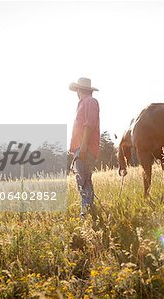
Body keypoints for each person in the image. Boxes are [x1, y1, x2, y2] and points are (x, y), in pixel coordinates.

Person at [69, 77, 100, 217]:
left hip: (84, 149)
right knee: (82, 180)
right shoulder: (83, 103)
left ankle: (86, 212)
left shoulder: (90, 102)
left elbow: (90, 124)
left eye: (77, 89)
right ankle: (87, 210)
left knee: (84, 180)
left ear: (79, 90)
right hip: (80, 148)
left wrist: (83, 147)